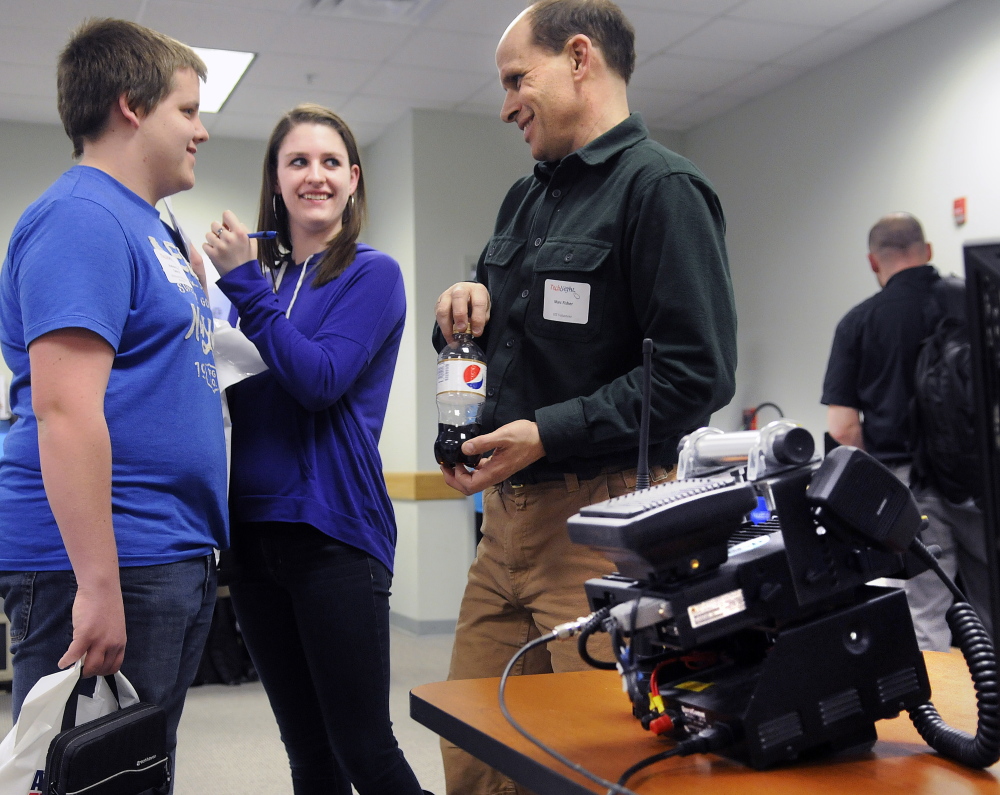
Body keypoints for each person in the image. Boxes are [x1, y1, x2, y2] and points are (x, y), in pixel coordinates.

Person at [432, 1, 737, 792]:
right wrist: (461, 314)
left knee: (590, 765)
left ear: (578, 58)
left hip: (599, 528)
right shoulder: (523, 201)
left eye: (514, 79)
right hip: (502, 533)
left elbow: (695, 373)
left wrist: (549, 432)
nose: (505, 106)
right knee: (471, 753)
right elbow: (514, 344)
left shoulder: (663, 188)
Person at [0, 17, 226, 787]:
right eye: (188, 110)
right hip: (108, 558)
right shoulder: (82, 218)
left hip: (166, 549)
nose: (200, 129)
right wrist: (97, 584)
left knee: (135, 774)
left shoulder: (150, 226)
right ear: (131, 105)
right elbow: (65, 411)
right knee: (91, 780)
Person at [202, 104, 430, 795]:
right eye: (297, 161)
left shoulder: (371, 274)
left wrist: (240, 285)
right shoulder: (259, 286)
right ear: (275, 179)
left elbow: (319, 380)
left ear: (354, 179)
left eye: (331, 162)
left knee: (364, 748)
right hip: (254, 538)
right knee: (308, 754)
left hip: (334, 533)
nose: (315, 176)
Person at [822, 212, 991, 650]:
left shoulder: (859, 322)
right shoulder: (975, 299)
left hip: (906, 489)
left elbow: (842, 430)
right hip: (979, 481)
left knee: (923, 615)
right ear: (928, 250)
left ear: (873, 263)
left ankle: (942, 717)